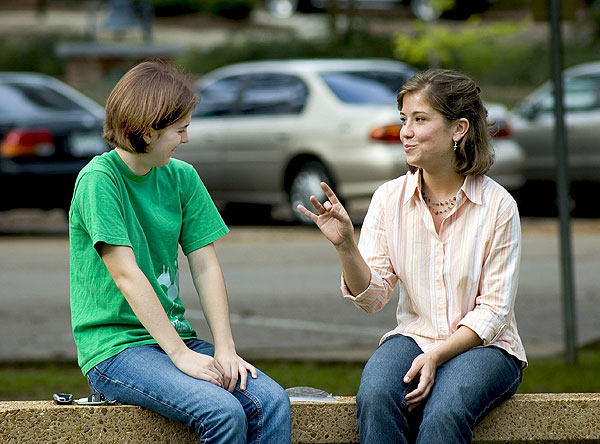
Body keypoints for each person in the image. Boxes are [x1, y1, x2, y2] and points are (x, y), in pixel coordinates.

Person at [297, 68, 527, 443]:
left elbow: (494, 312)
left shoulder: (498, 206)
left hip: (487, 348)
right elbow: (372, 299)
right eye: (404, 119)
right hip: (413, 336)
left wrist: (436, 357)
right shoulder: (389, 199)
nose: (405, 132)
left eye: (420, 120)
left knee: (444, 412)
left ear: (459, 129)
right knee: (374, 396)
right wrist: (346, 246)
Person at [69, 60, 291, 444]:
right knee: (222, 412)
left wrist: (225, 349)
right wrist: (179, 354)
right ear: (146, 131)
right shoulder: (98, 181)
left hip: (175, 338)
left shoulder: (182, 176)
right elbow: (126, 274)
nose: (186, 139)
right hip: (116, 349)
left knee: (271, 402)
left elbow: (205, 265)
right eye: (180, 129)